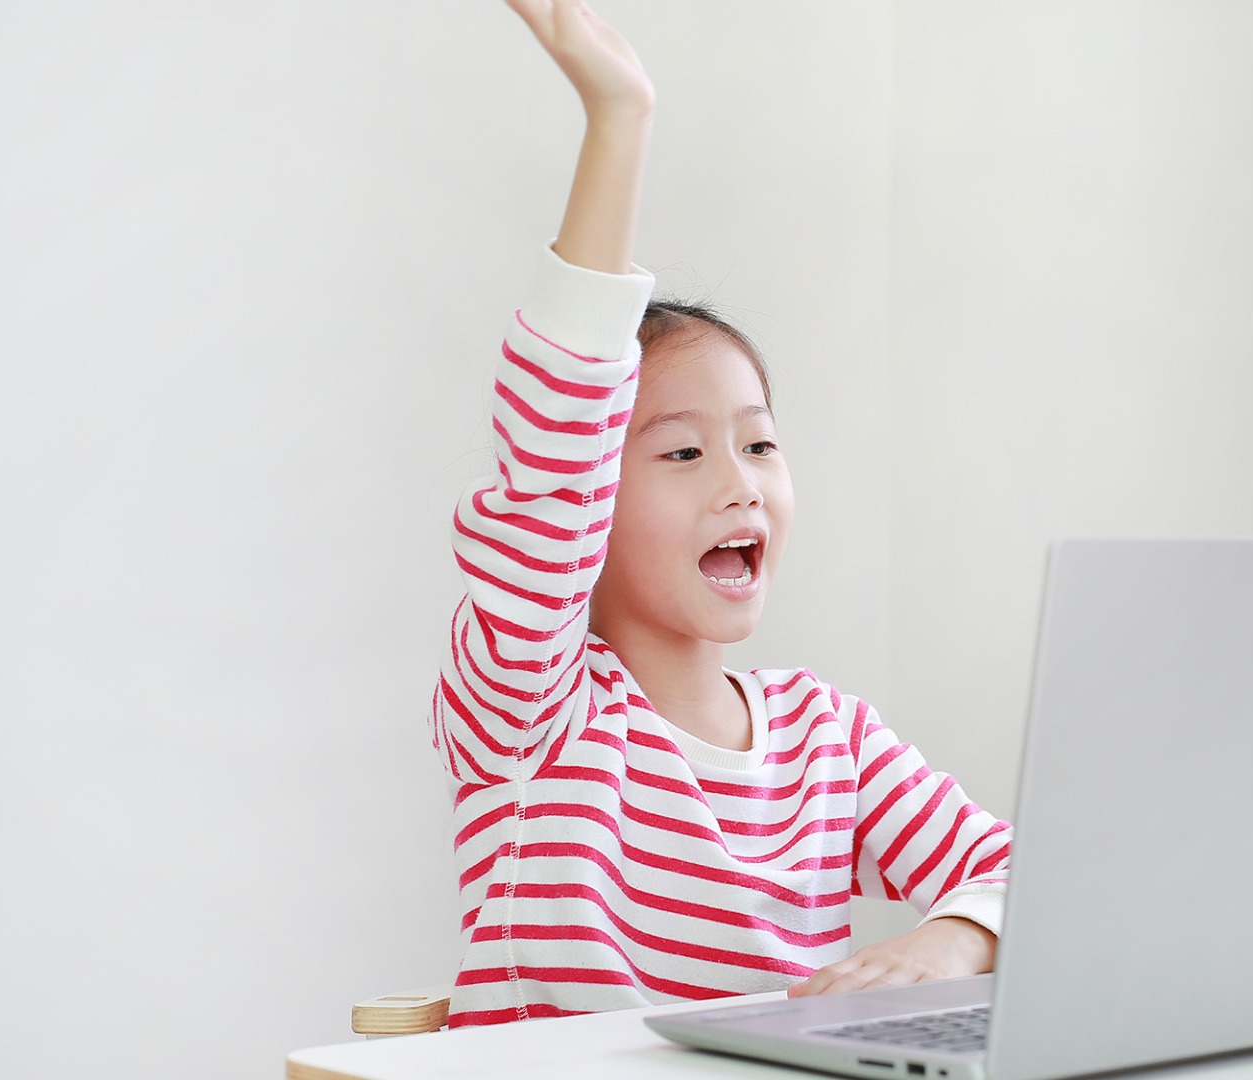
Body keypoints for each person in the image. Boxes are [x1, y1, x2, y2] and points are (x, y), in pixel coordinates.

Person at [428, 0, 1012, 1025]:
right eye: (685, 452)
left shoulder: (828, 739)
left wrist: (956, 937)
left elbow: (1028, 871)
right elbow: (554, 456)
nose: (739, 481)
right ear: (586, 508)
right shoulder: (533, 713)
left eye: (761, 444)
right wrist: (621, 121)